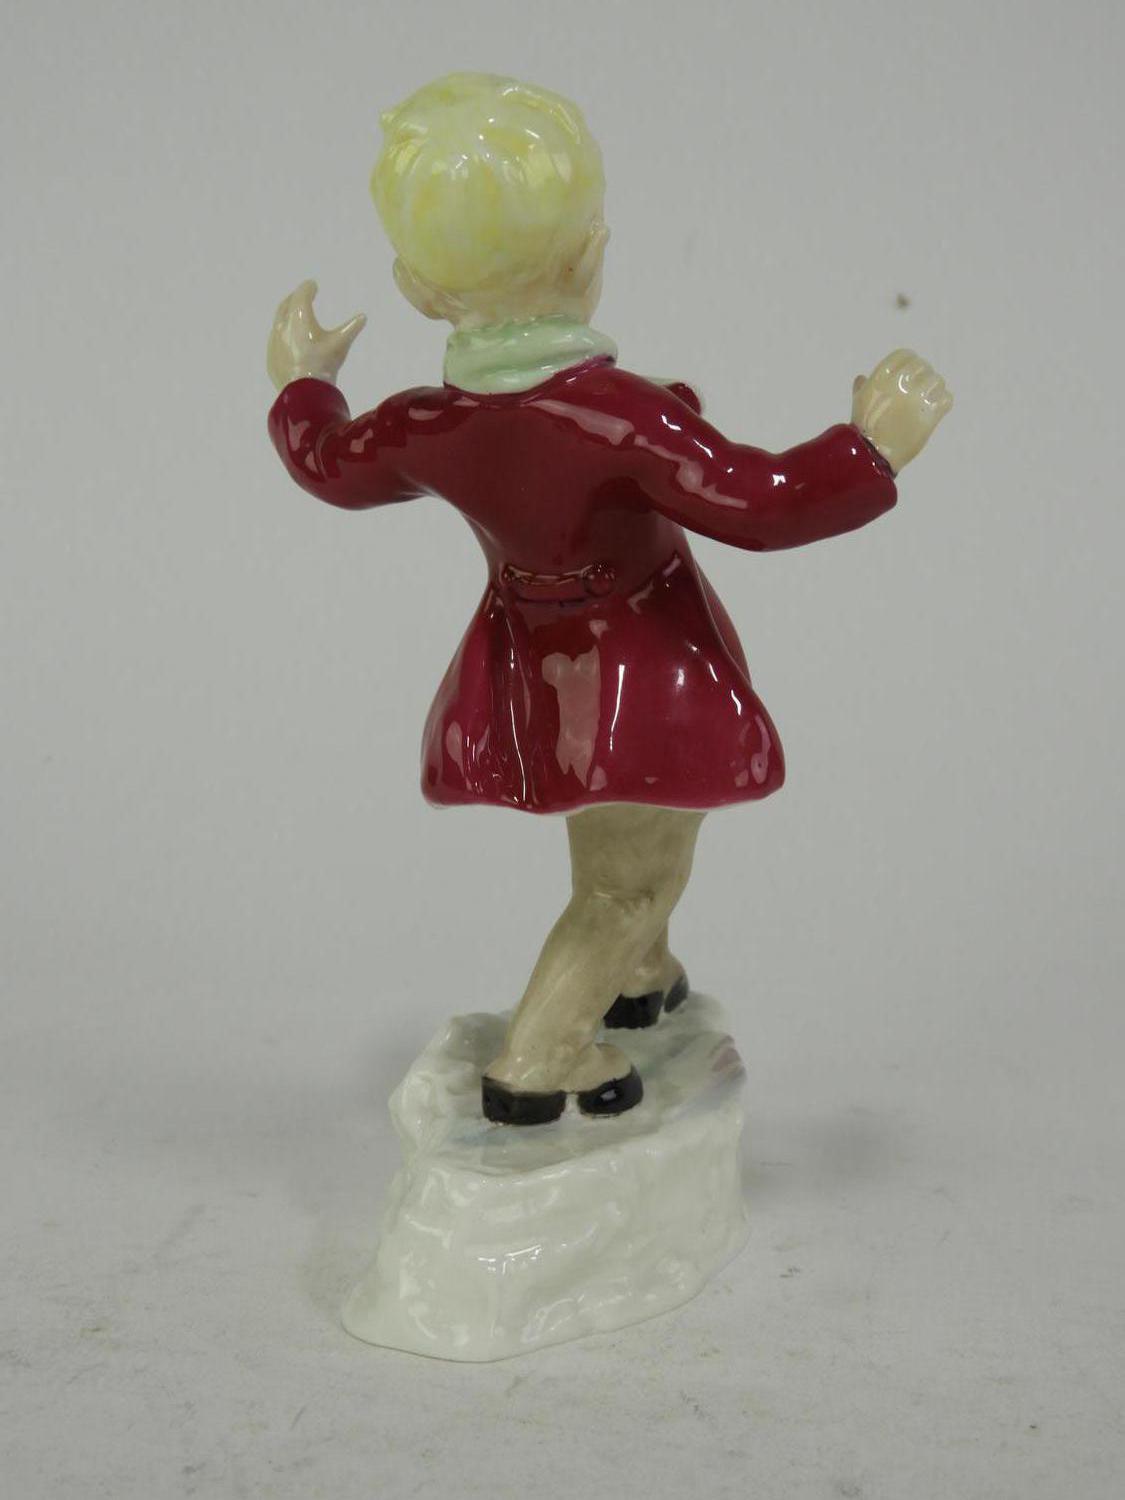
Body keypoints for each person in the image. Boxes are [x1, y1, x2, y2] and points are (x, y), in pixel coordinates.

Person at [266, 72, 952, 1125]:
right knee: (631, 878)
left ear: (416, 290)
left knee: (636, 835)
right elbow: (758, 501)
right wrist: (869, 449)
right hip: (639, 674)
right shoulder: (617, 416)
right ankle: (539, 1058)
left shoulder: (429, 424)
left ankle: (635, 973)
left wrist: (300, 384)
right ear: (591, 258)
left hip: (534, 666)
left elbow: (331, 464)